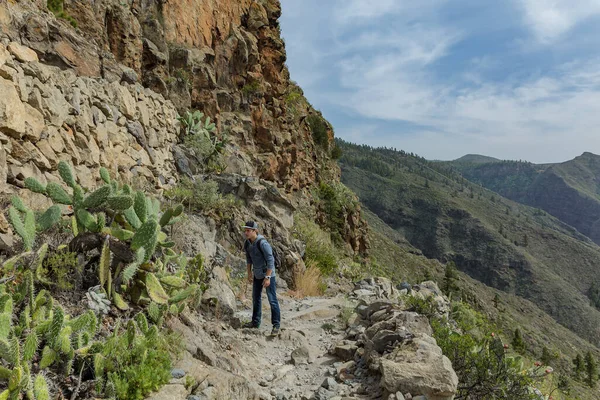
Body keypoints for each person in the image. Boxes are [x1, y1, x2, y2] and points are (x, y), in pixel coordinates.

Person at [242, 221, 281, 335]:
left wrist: (268, 277)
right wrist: (249, 273)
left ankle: (276, 325)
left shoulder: (263, 243)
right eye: (245, 230)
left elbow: (271, 261)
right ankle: (255, 322)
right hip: (257, 274)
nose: (246, 233)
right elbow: (249, 260)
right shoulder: (247, 243)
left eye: (248, 230)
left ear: (255, 231)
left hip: (268, 274)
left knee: (272, 299)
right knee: (256, 298)